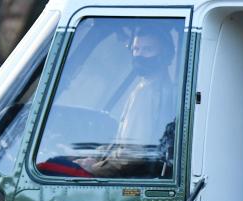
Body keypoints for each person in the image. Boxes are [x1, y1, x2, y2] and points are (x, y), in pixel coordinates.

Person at [74, 27, 178, 178]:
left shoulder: (146, 93)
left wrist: (93, 169)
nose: (139, 55)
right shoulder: (157, 87)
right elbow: (124, 145)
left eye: (147, 50)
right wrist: (95, 156)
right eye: (136, 49)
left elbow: (132, 155)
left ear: (165, 54)